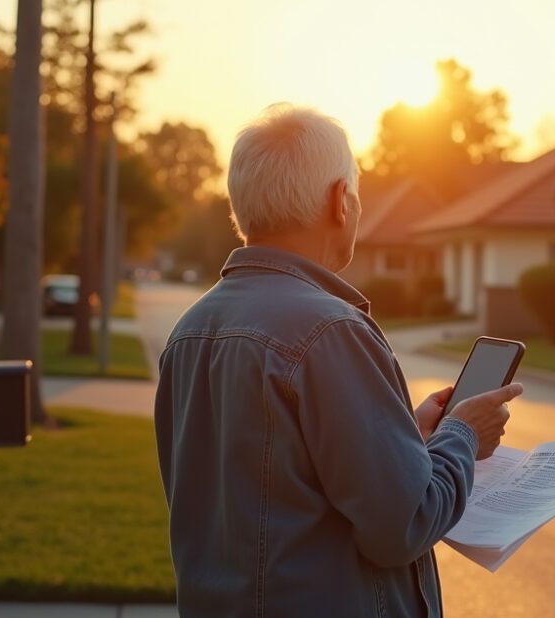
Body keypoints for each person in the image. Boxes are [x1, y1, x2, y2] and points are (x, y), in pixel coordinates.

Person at [154, 103, 520, 617]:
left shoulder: (189, 331)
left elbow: (273, 486)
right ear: (339, 200)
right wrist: (463, 434)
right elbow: (404, 524)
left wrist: (410, 439)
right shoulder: (331, 331)